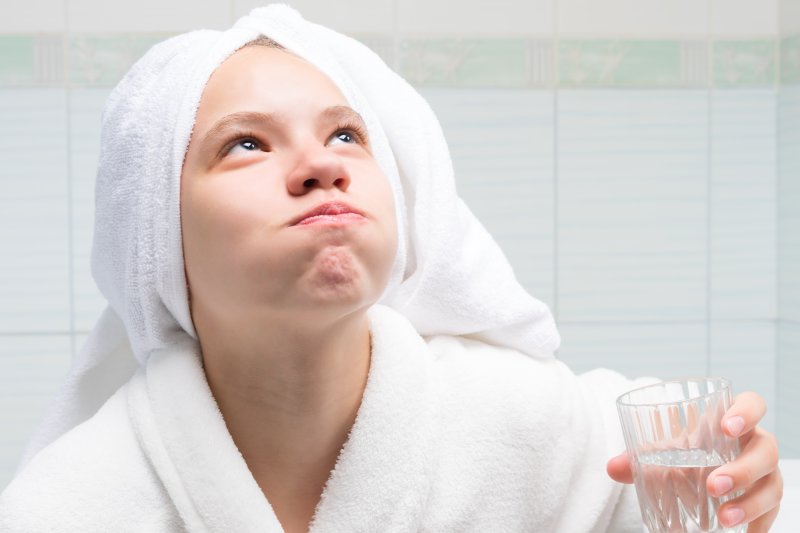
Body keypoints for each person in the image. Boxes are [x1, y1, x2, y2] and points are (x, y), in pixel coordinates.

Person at [0, 5, 783, 532]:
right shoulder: (70, 505)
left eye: (346, 135)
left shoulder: (524, 425)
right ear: (157, 239)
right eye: (246, 143)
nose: (320, 165)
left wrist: (743, 494)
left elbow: (679, 500)